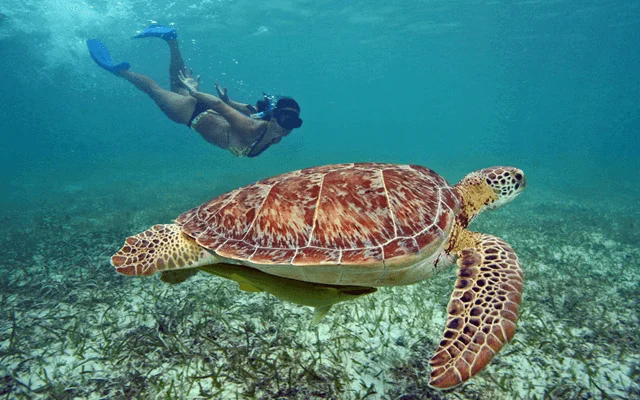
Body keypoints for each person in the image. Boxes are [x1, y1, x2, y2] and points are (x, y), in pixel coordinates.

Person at [87, 25, 303, 157]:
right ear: (274, 118)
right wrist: (195, 93)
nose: (287, 128)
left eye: (293, 122)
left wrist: (228, 99)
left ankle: (171, 39)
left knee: (177, 85)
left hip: (200, 111)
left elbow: (245, 107)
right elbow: (218, 106)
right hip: (190, 114)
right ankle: (119, 71)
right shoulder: (251, 128)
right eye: (284, 120)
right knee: (152, 89)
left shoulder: (273, 133)